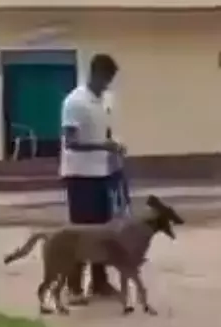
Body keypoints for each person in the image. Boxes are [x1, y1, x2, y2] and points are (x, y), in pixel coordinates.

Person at [59, 53, 125, 303]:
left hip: (102, 173)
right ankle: (73, 286)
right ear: (95, 74)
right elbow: (71, 142)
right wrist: (102, 147)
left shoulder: (105, 100)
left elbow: (104, 133)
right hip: (79, 176)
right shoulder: (74, 102)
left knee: (102, 232)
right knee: (82, 232)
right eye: (106, 79)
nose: (107, 85)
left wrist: (114, 148)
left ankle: (99, 282)